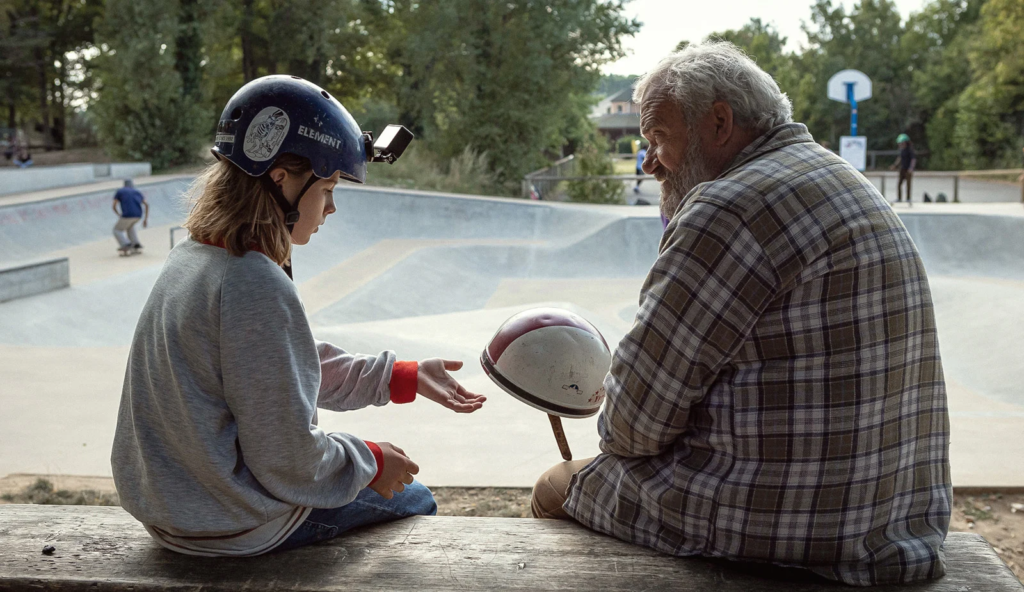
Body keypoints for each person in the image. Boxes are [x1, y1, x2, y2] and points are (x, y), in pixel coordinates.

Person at [531, 42, 950, 586]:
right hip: (893, 522)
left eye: (658, 138)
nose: (649, 162)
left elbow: (630, 428)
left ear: (719, 123)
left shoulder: (727, 208)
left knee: (555, 485)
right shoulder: (841, 177)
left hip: (786, 526)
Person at [111, 75, 486, 557]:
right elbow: (289, 461)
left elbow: (277, 371)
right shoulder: (251, 282)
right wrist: (371, 461)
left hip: (175, 512)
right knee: (415, 498)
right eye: (327, 188)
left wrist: (400, 376)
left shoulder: (194, 257)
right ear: (280, 179)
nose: (331, 208)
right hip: (233, 524)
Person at [112, 179, 148, 255]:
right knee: (130, 227)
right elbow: (146, 204)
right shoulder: (137, 192)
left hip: (127, 215)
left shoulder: (120, 191)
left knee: (116, 230)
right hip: (138, 215)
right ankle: (136, 244)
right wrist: (145, 219)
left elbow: (114, 205)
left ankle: (125, 244)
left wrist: (118, 214)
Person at [890, 133, 916, 204]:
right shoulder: (902, 150)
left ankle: (908, 198)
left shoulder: (910, 150)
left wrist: (911, 168)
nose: (900, 144)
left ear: (905, 142)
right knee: (899, 184)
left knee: (908, 185)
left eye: (901, 143)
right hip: (902, 169)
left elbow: (913, 159)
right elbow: (900, 158)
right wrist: (895, 165)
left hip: (908, 170)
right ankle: (899, 198)